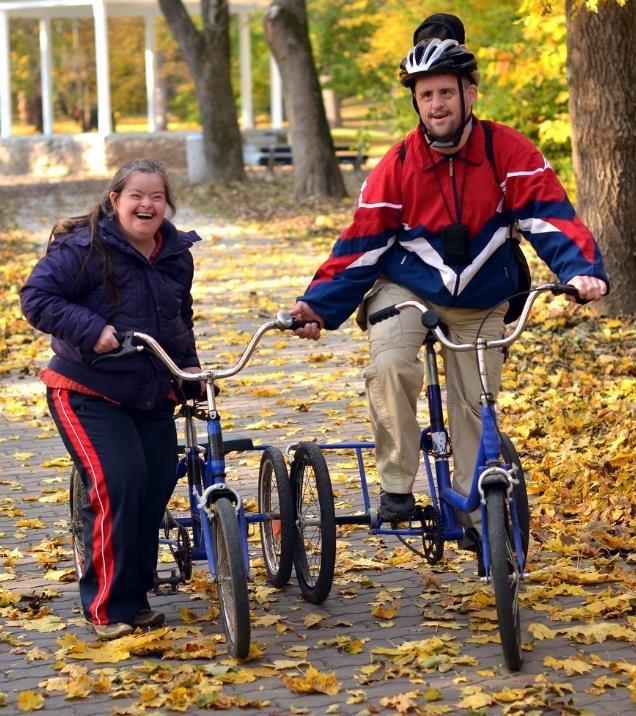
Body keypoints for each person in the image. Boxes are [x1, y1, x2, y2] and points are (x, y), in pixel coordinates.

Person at [289, 38, 608, 544]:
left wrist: (582, 270)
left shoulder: (509, 152)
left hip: (483, 297)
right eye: (425, 95)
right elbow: (360, 248)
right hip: (406, 290)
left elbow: (549, 217)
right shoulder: (396, 167)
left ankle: (472, 505)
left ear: (470, 94)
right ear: (416, 102)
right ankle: (396, 482)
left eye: (445, 92)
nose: (436, 104)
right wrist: (316, 306)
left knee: (474, 403)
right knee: (391, 364)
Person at [21, 159, 203, 640]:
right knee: (119, 483)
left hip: (150, 391)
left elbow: (178, 319)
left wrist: (190, 375)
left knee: (155, 485)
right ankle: (107, 609)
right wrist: (92, 329)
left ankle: (135, 599)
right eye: (136, 196)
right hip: (87, 388)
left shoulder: (176, 254)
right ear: (114, 201)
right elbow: (36, 298)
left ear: (167, 204)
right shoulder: (84, 248)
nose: (147, 205)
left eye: (157, 197)